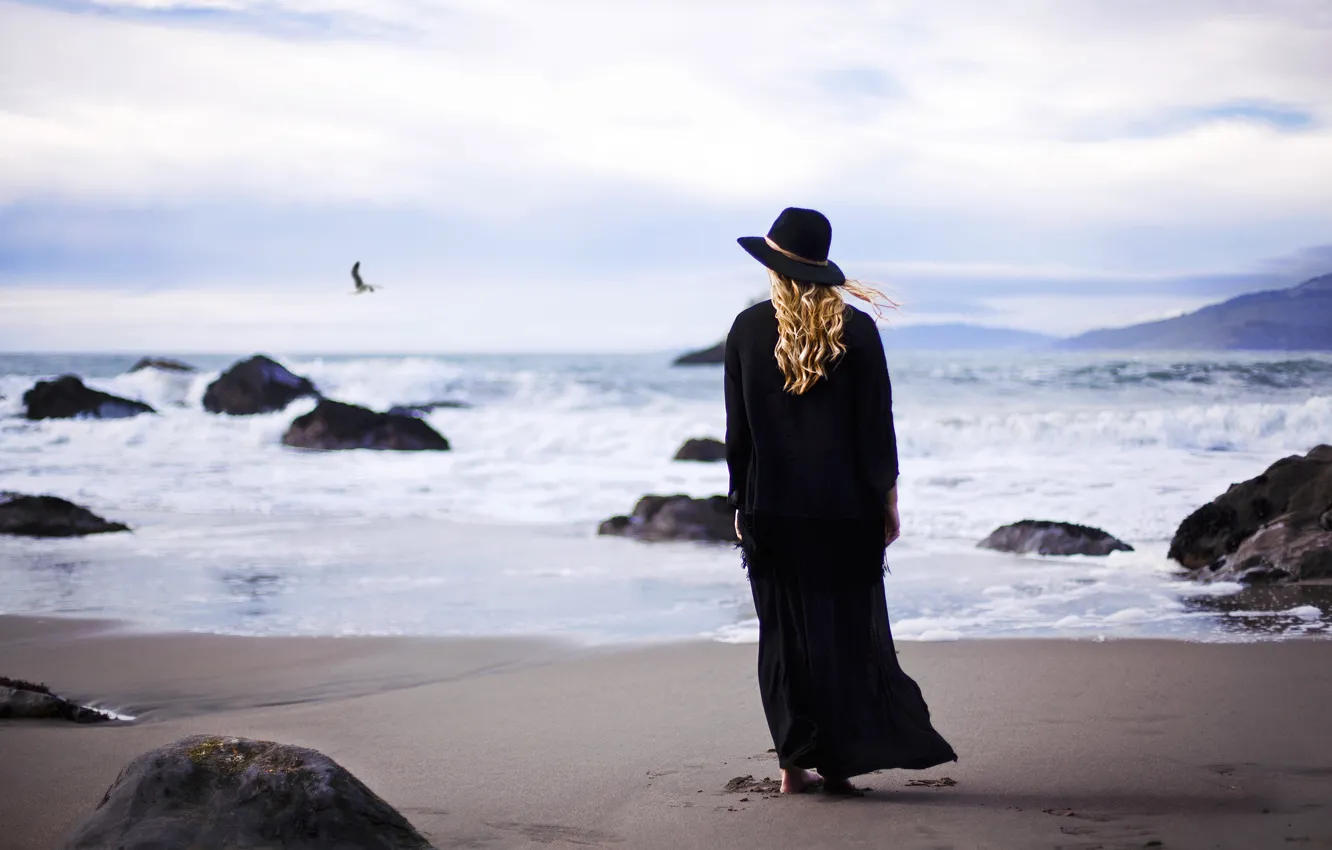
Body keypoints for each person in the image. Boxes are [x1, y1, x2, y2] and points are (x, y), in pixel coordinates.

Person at [724, 207, 958, 795]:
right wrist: (889, 499)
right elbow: (876, 426)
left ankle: (791, 765)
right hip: (846, 511)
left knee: (782, 636)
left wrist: (738, 498)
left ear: (775, 269)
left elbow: (739, 431)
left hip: (770, 510)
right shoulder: (857, 331)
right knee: (845, 635)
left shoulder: (747, 331)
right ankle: (838, 762)